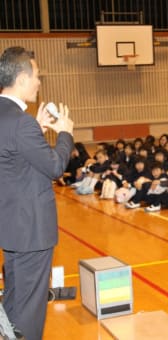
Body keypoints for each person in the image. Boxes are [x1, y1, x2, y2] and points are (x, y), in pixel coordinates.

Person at [0, 46, 74, 340]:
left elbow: (13, 161)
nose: (39, 82)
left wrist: (37, 130)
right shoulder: (21, 123)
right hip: (32, 231)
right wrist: (66, 133)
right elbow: (55, 167)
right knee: (30, 311)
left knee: (15, 301)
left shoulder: (12, 120)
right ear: (21, 78)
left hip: (12, 228)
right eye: (37, 76)